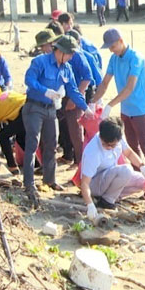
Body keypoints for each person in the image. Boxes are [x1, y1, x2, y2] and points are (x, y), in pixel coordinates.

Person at [22, 35, 93, 206]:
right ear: (59, 51)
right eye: (69, 54)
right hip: (34, 107)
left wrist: (85, 107)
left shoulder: (66, 68)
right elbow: (29, 80)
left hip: (51, 110)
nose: (70, 57)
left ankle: (50, 180)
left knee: (52, 144)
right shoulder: (40, 61)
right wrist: (45, 90)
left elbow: (73, 90)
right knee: (33, 143)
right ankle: (29, 183)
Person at [93, 28, 145, 167]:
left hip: (139, 108)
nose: (111, 50)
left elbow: (129, 87)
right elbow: (104, 83)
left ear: (121, 41)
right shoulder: (114, 59)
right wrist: (93, 102)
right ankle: (139, 176)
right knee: (131, 144)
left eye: (113, 46)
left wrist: (110, 105)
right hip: (125, 109)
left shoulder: (136, 58)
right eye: (109, 47)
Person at [82, 119, 145, 221]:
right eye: (105, 144)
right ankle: (107, 201)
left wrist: (142, 166)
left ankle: (112, 195)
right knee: (126, 170)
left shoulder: (118, 139)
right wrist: (90, 204)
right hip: (95, 184)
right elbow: (85, 183)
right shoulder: (93, 152)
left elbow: (129, 153)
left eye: (112, 145)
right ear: (100, 137)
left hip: (111, 175)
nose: (109, 147)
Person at [61, 29, 101, 167]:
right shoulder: (60, 54)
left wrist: (76, 98)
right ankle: (70, 157)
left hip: (77, 95)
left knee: (76, 133)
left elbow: (89, 78)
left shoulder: (79, 56)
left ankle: (81, 164)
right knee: (65, 130)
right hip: (63, 94)